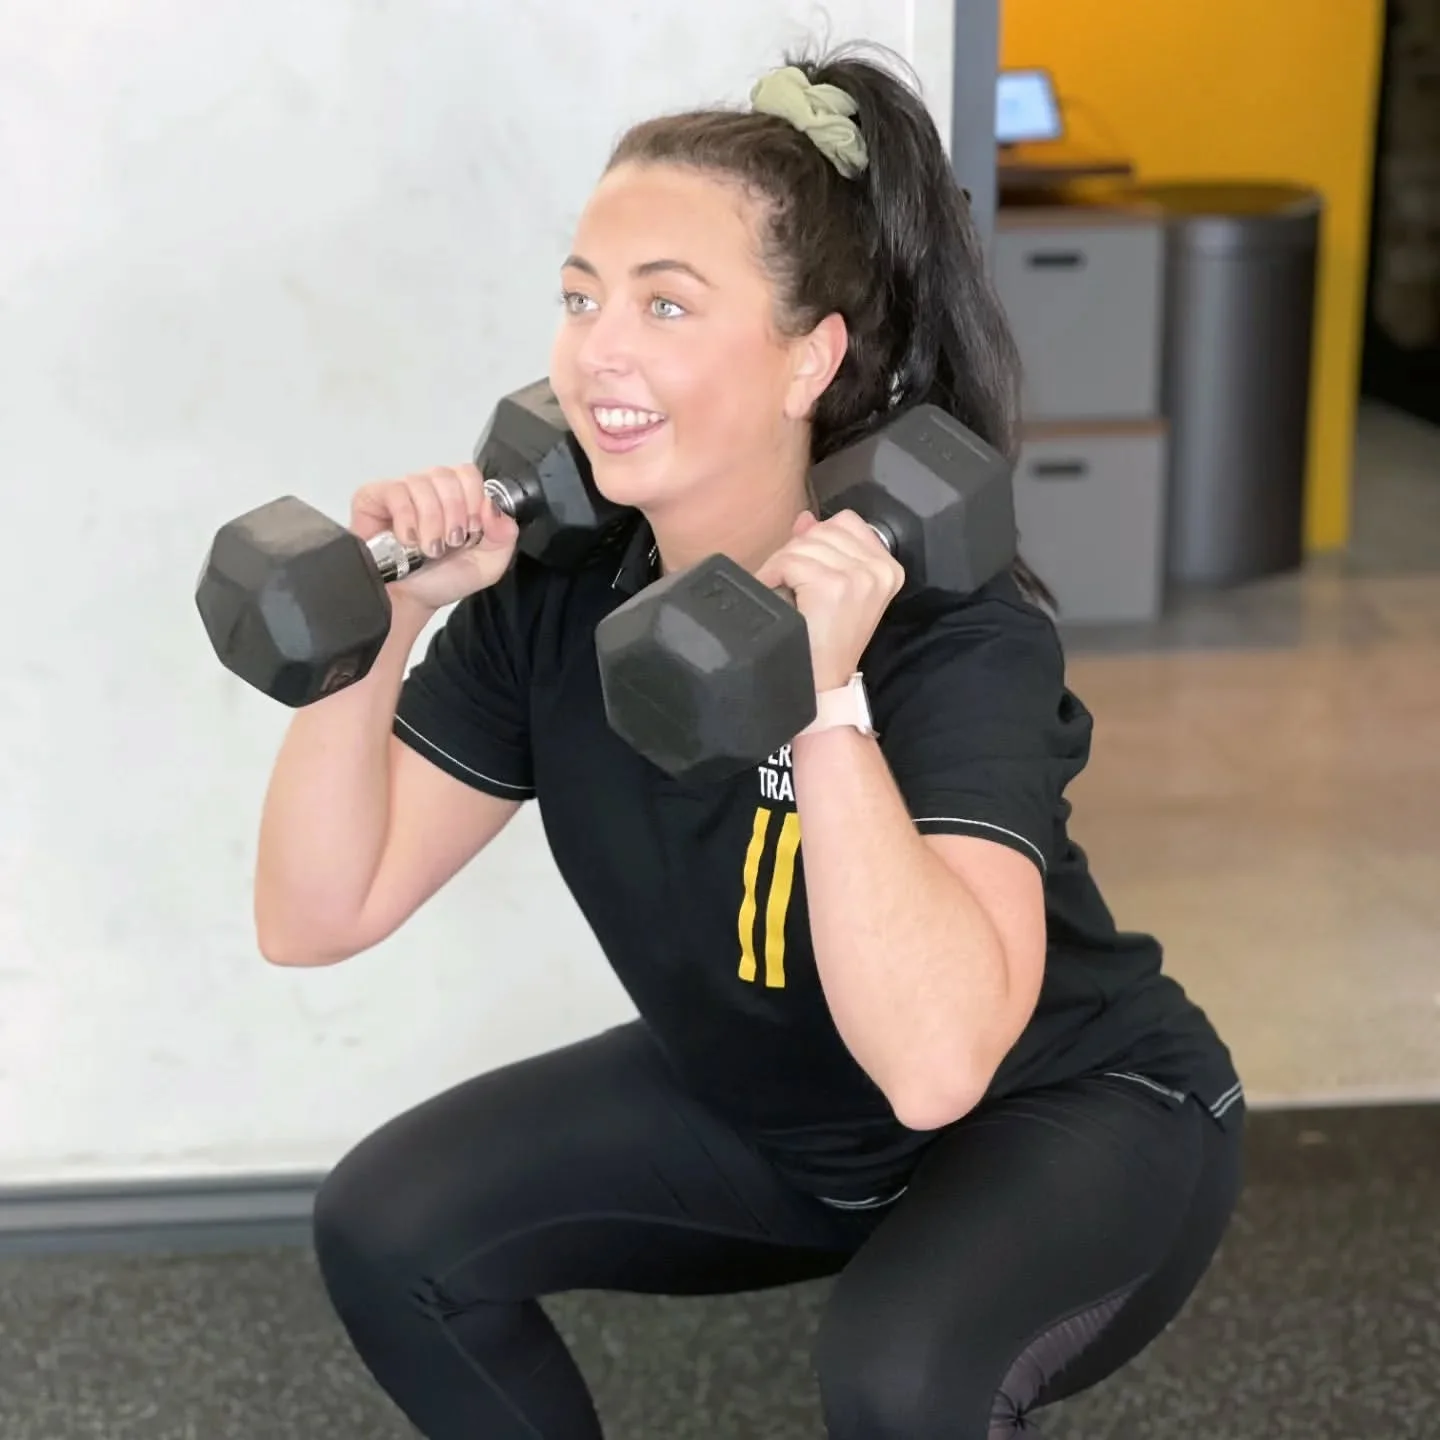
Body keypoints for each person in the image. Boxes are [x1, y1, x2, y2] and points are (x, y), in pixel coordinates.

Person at [256, 44, 1246, 1440]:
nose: (601, 350)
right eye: (582, 298)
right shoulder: (554, 601)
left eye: (666, 304)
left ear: (810, 358)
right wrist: (390, 620)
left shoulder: (948, 632)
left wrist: (826, 696)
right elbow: (316, 914)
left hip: (1061, 1112)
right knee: (390, 1227)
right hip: (784, 1121)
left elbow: (938, 1068)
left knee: (900, 1379)